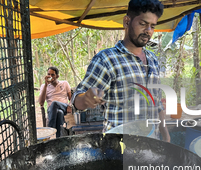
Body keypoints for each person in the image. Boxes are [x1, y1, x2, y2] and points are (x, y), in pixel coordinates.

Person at [72, 0, 170, 142]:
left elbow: (157, 104)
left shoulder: (153, 59)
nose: (148, 30)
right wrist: (86, 98)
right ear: (126, 22)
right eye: (143, 24)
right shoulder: (106, 60)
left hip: (150, 146)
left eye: (152, 26)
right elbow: (76, 102)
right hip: (119, 149)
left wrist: (165, 134)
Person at [38, 67, 72, 138]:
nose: (50, 77)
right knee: (59, 112)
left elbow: (71, 98)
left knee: (55, 103)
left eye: (53, 75)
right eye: (48, 74)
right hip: (52, 110)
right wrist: (46, 86)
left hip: (64, 106)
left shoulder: (65, 83)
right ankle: (58, 138)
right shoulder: (44, 86)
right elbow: (41, 103)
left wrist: (70, 106)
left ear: (57, 76)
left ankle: (50, 130)